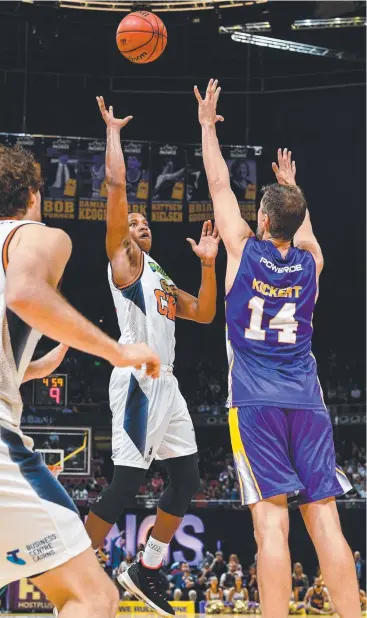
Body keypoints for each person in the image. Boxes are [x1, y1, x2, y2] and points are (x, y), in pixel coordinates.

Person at [194, 78, 361, 618]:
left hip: (255, 401)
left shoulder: (241, 251)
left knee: (271, 525)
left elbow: (219, 182)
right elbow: (303, 228)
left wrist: (206, 126)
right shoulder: (312, 261)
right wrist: (293, 188)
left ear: (262, 220)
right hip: (308, 403)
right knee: (326, 523)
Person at [0, 144, 160, 618]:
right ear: (32, 194)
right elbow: (26, 293)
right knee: (92, 597)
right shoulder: (35, 235)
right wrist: (117, 350)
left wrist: (29, 369)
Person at [85, 97, 219, 617]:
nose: (138, 221)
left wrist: (207, 265)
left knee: (186, 478)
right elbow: (117, 189)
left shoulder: (159, 276)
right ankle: (68, 571)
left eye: (143, 220)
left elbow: (205, 314)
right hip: (140, 382)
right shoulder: (125, 264)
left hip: (170, 385)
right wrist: (113, 134)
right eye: (132, 220)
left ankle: (147, 566)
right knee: (125, 484)